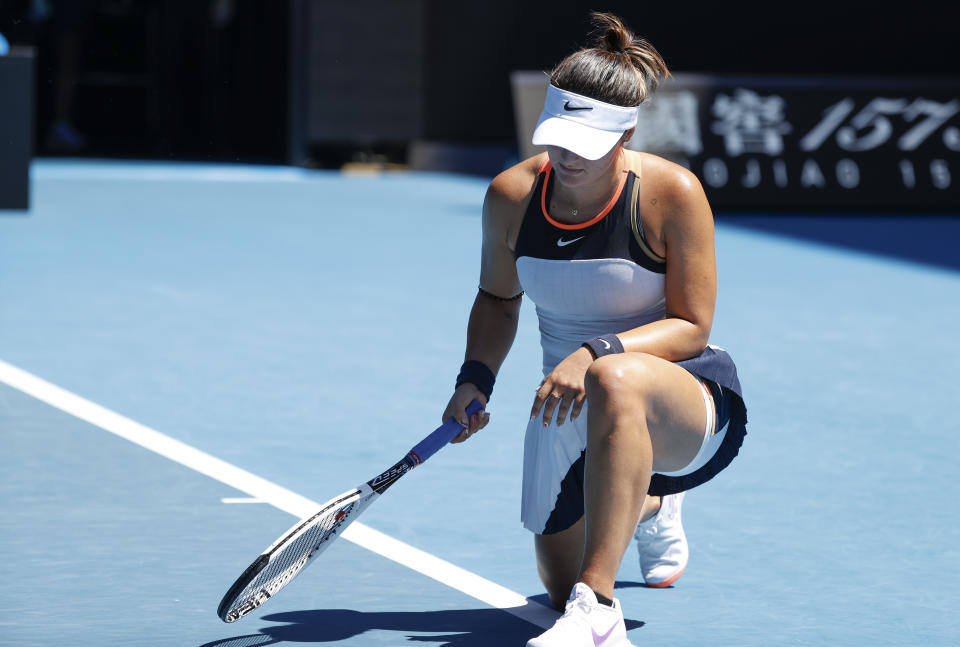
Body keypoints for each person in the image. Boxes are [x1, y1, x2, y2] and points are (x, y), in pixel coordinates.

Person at [441, 12, 747, 647]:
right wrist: (475, 381)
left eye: (583, 146)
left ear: (626, 132)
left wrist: (597, 350)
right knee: (554, 585)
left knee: (613, 379)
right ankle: (650, 503)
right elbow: (498, 301)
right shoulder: (511, 195)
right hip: (568, 403)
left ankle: (599, 611)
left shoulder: (672, 194)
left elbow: (692, 325)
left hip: (682, 401)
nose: (564, 157)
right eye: (556, 140)